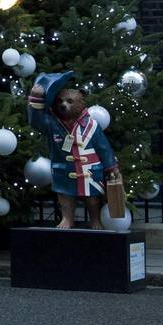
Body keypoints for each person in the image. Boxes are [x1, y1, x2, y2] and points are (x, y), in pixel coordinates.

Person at [27, 70, 120, 230]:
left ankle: (95, 219)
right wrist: (35, 99)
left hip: (89, 169)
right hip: (64, 170)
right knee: (65, 197)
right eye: (60, 101)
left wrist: (111, 168)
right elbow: (36, 121)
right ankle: (67, 219)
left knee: (92, 199)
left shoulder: (92, 126)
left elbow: (104, 149)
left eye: (70, 101)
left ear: (81, 101)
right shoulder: (52, 124)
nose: (64, 104)